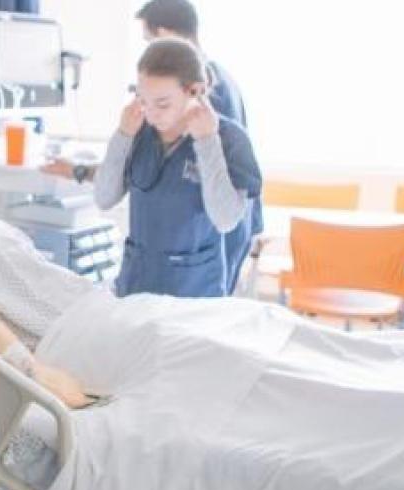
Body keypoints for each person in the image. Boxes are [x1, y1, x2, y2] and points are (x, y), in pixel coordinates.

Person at [48, 38, 261, 298]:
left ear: (195, 91)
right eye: (143, 100)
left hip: (192, 291)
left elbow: (226, 219)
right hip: (136, 284)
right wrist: (123, 135)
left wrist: (207, 142)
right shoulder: (138, 130)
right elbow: (104, 198)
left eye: (162, 104)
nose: (151, 114)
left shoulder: (229, 138)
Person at [133, 0, 261, 293]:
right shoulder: (220, 74)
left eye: (150, 41)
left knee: (199, 318)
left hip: (215, 225)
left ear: (165, 33)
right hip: (231, 219)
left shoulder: (199, 90)